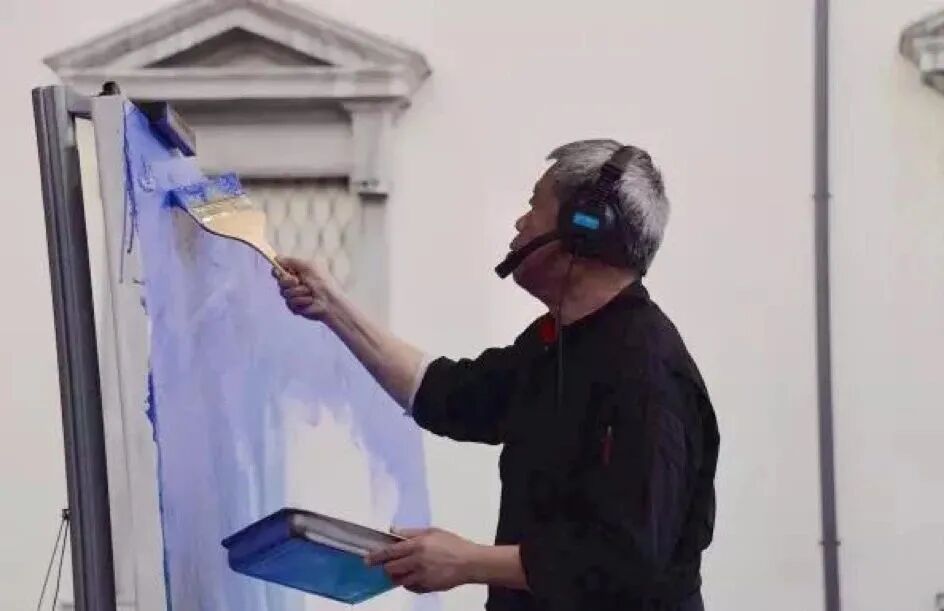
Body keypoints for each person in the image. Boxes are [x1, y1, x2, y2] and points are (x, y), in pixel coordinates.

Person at [274, 139, 719, 611]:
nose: (520, 223)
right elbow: (451, 397)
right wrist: (332, 306)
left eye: (534, 206)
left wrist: (468, 562)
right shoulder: (557, 344)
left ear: (582, 228)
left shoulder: (647, 374)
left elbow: (626, 559)